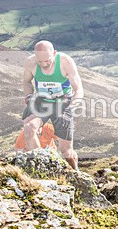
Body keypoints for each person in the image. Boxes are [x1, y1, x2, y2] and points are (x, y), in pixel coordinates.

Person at [22, 40, 84, 170]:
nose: (44, 65)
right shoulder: (30, 63)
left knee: (66, 152)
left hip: (63, 102)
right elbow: (27, 82)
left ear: (54, 53)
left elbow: (78, 90)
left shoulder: (65, 62)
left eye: (47, 61)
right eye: (40, 62)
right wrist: (28, 95)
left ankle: (75, 172)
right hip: (42, 101)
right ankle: (42, 165)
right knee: (29, 128)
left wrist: (72, 106)